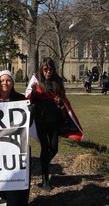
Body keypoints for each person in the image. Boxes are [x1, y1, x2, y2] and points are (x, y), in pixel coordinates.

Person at [0, 70, 30, 206]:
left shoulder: (21, 100)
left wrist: (31, 111)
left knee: (13, 183)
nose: (5, 83)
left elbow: (28, 123)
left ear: (12, 83)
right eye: (2, 80)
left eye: (8, 80)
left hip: (14, 148)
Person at [28, 57, 66, 191]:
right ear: (42, 69)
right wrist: (33, 91)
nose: (48, 72)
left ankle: (43, 164)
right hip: (41, 119)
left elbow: (63, 100)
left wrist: (59, 102)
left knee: (54, 148)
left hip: (54, 119)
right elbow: (31, 101)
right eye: (45, 69)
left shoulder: (58, 81)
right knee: (45, 148)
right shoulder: (37, 81)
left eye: (50, 69)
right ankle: (45, 179)